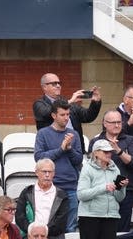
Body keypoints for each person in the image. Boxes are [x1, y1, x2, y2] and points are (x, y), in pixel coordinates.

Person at [34, 99, 83, 233]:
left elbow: (78, 160)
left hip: (71, 187)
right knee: (49, 226)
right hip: (51, 187)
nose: (66, 118)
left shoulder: (74, 134)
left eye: (68, 114)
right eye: (63, 115)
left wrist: (69, 149)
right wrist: (61, 149)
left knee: (71, 227)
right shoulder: (43, 134)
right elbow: (39, 157)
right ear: (54, 115)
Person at [88, 110, 133, 234]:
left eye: (119, 122)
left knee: (123, 229)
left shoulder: (129, 139)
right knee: (102, 228)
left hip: (124, 189)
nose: (117, 125)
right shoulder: (97, 141)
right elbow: (91, 165)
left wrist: (118, 150)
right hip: (102, 189)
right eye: (113, 122)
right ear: (104, 123)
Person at [33, 73, 102, 152]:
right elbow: (46, 114)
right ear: (44, 87)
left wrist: (95, 102)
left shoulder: (67, 102)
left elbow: (88, 116)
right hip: (52, 150)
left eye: (59, 83)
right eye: (54, 84)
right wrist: (69, 102)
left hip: (75, 148)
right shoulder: (39, 103)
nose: (58, 86)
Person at [77, 139, 128, 239]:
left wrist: (122, 188)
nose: (109, 154)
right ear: (96, 152)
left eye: (110, 151)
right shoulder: (87, 168)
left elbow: (119, 198)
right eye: (105, 151)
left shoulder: (115, 169)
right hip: (90, 216)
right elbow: (81, 195)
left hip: (111, 216)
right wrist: (103, 187)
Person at [15, 158, 68, 239]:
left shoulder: (62, 195)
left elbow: (61, 222)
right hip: (30, 235)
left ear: (54, 173)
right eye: (44, 171)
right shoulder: (26, 192)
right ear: (37, 172)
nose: (47, 175)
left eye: (50, 172)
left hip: (53, 236)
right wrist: (33, 232)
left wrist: (43, 233)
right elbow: (19, 216)